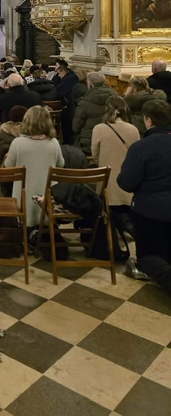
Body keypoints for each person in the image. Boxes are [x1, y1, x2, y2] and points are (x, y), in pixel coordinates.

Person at [117, 100, 171, 293]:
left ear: (148, 120)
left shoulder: (141, 147)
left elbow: (126, 182)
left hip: (150, 211)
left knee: (147, 256)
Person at [5, 106, 64, 227]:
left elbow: (8, 167)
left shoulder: (18, 143)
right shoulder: (53, 143)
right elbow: (61, 164)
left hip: (23, 199)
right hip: (47, 199)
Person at [91, 96, 139, 233]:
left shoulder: (98, 129)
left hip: (107, 182)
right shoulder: (133, 129)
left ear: (106, 109)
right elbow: (136, 155)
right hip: (127, 182)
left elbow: (95, 155)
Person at [72, 72, 118, 155]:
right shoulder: (117, 98)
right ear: (104, 83)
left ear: (89, 85)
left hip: (90, 142)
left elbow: (76, 127)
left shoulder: (84, 103)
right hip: (114, 139)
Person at [54, 60, 79, 143]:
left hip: (69, 105)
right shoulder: (70, 77)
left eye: (59, 74)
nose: (59, 76)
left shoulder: (69, 79)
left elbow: (59, 91)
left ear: (63, 71)